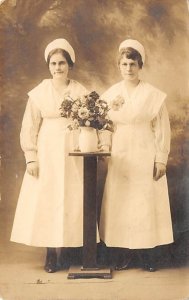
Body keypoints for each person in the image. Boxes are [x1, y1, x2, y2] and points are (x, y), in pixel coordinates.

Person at [11, 38, 89, 273]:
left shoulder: (79, 91)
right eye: (54, 63)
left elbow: (91, 122)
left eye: (62, 63)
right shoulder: (39, 93)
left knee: (70, 198)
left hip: (73, 148)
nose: (58, 68)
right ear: (48, 66)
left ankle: (66, 250)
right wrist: (31, 157)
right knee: (47, 199)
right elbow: (29, 127)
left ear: (70, 65)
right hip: (47, 150)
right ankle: (50, 255)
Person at [99, 39, 173, 271]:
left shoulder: (153, 95)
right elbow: (104, 125)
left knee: (144, 201)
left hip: (144, 150)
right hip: (120, 152)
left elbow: (162, 128)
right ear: (119, 66)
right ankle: (122, 253)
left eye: (133, 64)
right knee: (121, 202)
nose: (128, 68)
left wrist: (160, 158)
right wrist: (104, 146)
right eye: (124, 64)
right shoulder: (111, 93)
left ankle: (147, 254)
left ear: (140, 66)